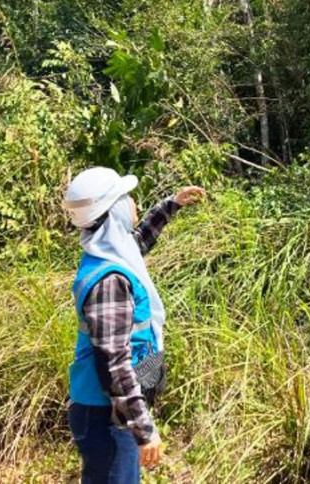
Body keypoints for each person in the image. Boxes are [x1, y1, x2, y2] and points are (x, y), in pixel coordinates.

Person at [62, 167, 205, 483]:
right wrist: (143, 429)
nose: (133, 203)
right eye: (125, 198)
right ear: (113, 211)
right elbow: (114, 365)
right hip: (109, 417)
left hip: (112, 412)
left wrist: (172, 204)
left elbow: (139, 241)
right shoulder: (110, 281)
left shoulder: (111, 253)